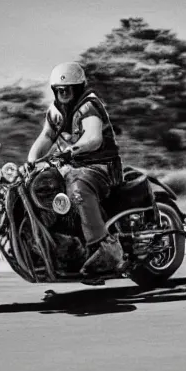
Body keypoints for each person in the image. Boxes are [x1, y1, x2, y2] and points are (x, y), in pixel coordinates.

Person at [27, 62, 124, 275]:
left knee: (78, 187)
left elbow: (93, 137)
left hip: (101, 166)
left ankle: (105, 248)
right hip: (73, 165)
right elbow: (46, 136)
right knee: (42, 188)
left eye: (67, 88)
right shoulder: (56, 111)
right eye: (58, 89)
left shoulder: (88, 105)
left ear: (78, 87)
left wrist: (72, 150)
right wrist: (32, 161)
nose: (62, 92)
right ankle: (62, 245)